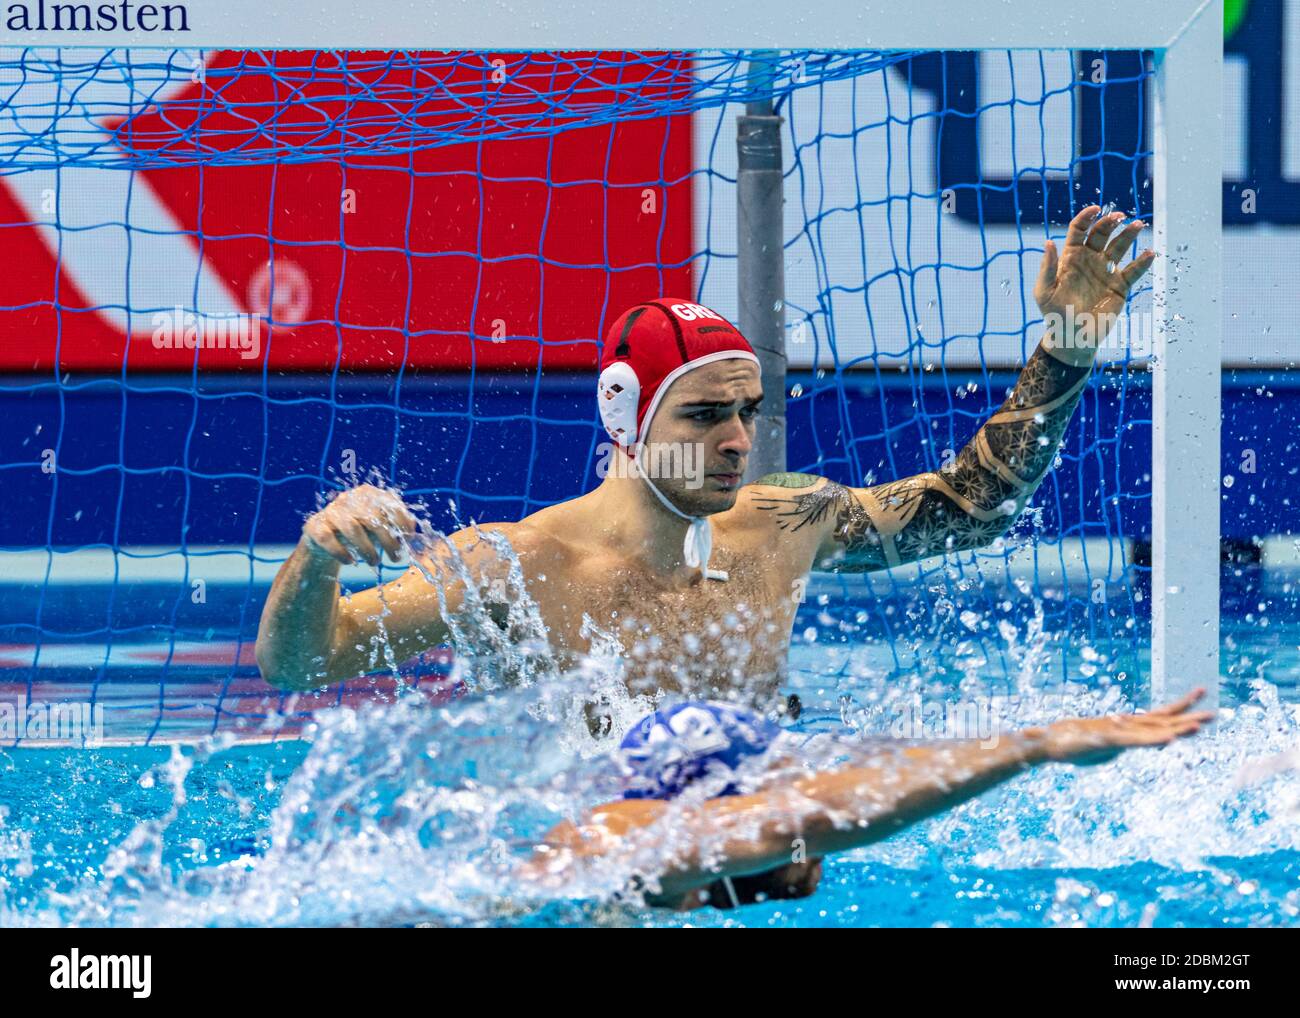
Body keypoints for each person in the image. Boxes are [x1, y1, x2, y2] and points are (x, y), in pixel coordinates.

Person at [255, 204, 1155, 902]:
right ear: (626, 416)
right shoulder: (511, 568)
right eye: (704, 414)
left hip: (770, 876)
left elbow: (975, 506)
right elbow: (299, 664)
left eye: (746, 412)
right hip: (590, 884)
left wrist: (1067, 346)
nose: (736, 439)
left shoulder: (784, 523)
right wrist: (319, 554)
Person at [524, 690, 1212, 911]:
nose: (818, 860)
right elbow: (801, 819)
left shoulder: (624, 873)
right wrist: (1034, 745)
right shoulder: (629, 848)